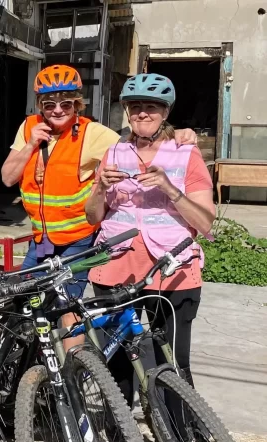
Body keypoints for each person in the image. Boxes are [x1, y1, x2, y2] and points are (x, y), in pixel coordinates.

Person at [0, 65, 198, 350]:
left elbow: (138, 142)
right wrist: (31, 144)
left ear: (77, 104)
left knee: (68, 309)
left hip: (78, 240)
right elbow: (8, 177)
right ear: (39, 105)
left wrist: (176, 134)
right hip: (41, 240)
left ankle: (71, 379)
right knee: (23, 305)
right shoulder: (29, 127)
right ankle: (29, 372)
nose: (57, 110)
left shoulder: (92, 133)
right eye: (49, 104)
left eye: (66, 103)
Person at [84, 73, 215, 406]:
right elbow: (93, 217)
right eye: (135, 107)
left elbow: (205, 221)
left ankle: (179, 433)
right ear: (127, 111)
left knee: (171, 363)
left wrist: (170, 189)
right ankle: (120, 432)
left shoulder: (186, 154)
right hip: (116, 267)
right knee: (116, 361)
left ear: (165, 112)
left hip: (173, 271)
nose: (142, 114)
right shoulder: (113, 153)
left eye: (151, 108)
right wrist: (100, 187)